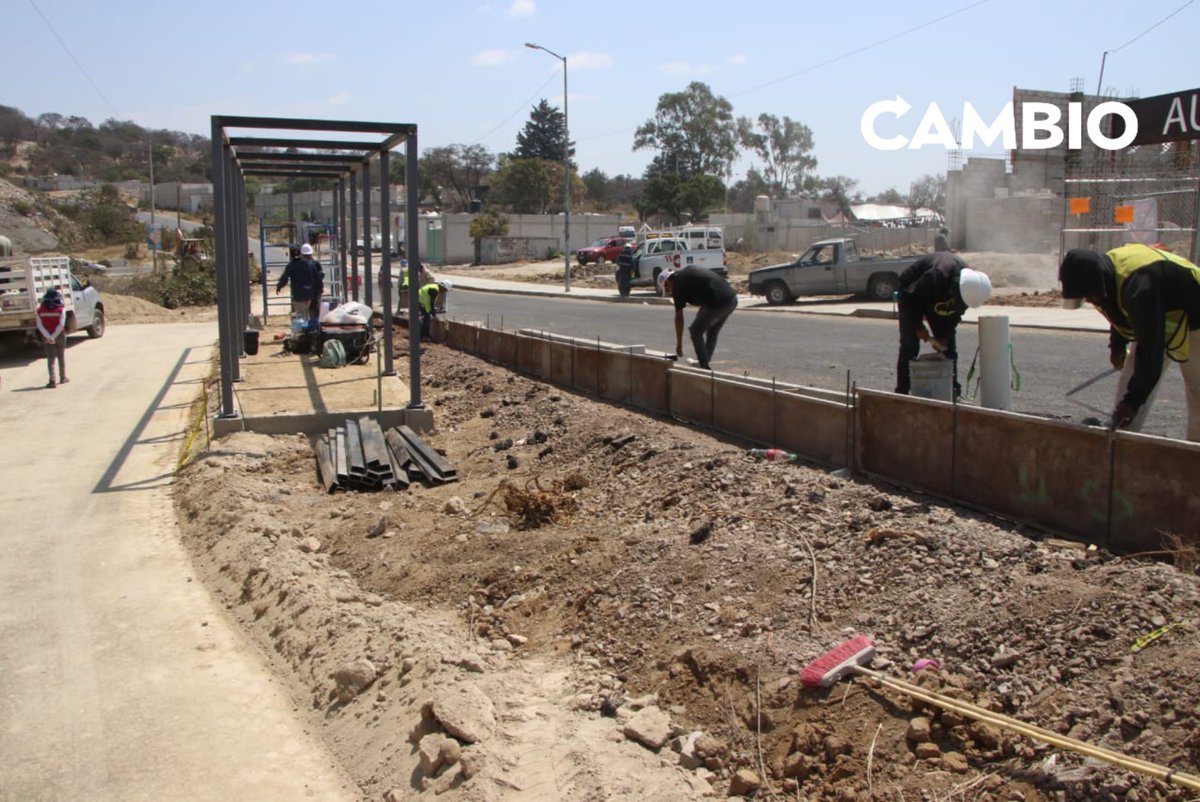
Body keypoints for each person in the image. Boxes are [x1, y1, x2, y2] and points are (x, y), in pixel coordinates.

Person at [1059, 244, 1200, 441]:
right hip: (1165, 313)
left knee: (1196, 388)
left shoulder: (1140, 287)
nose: (1089, 300)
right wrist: (1117, 346)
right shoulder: (1106, 271)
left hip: (1196, 314)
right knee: (1131, 382)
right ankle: (1121, 440)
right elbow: (1117, 306)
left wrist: (1132, 402)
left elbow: (1151, 350)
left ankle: (1194, 452)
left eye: (1089, 295)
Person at [894, 252, 992, 397]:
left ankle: (953, 391)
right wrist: (918, 326)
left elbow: (954, 314)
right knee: (910, 345)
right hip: (912, 293)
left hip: (939, 293)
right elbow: (909, 299)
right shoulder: (936, 276)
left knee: (949, 348)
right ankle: (902, 393)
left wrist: (944, 336)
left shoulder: (969, 286)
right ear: (956, 290)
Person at [658, 266, 738, 371]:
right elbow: (705, 288)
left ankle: (704, 366)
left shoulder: (678, 286)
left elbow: (679, 318)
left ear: (667, 282)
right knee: (712, 331)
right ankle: (705, 361)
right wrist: (701, 314)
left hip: (718, 303)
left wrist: (679, 345)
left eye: (668, 288)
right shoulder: (687, 272)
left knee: (695, 331)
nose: (669, 291)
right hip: (732, 299)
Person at [276, 243, 324, 323]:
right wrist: (320, 287)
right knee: (309, 314)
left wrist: (279, 286)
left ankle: (306, 329)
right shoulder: (311, 264)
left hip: (298, 294)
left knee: (302, 316)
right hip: (310, 294)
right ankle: (310, 327)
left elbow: (285, 277)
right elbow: (318, 277)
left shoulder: (291, 265)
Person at [35, 286, 68, 388]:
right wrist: (53, 336)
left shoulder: (40, 310)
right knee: (61, 356)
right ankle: (63, 377)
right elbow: (61, 325)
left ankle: (52, 380)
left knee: (50, 358)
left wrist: (48, 337)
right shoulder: (61, 309)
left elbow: (39, 325)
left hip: (46, 336)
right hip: (60, 335)